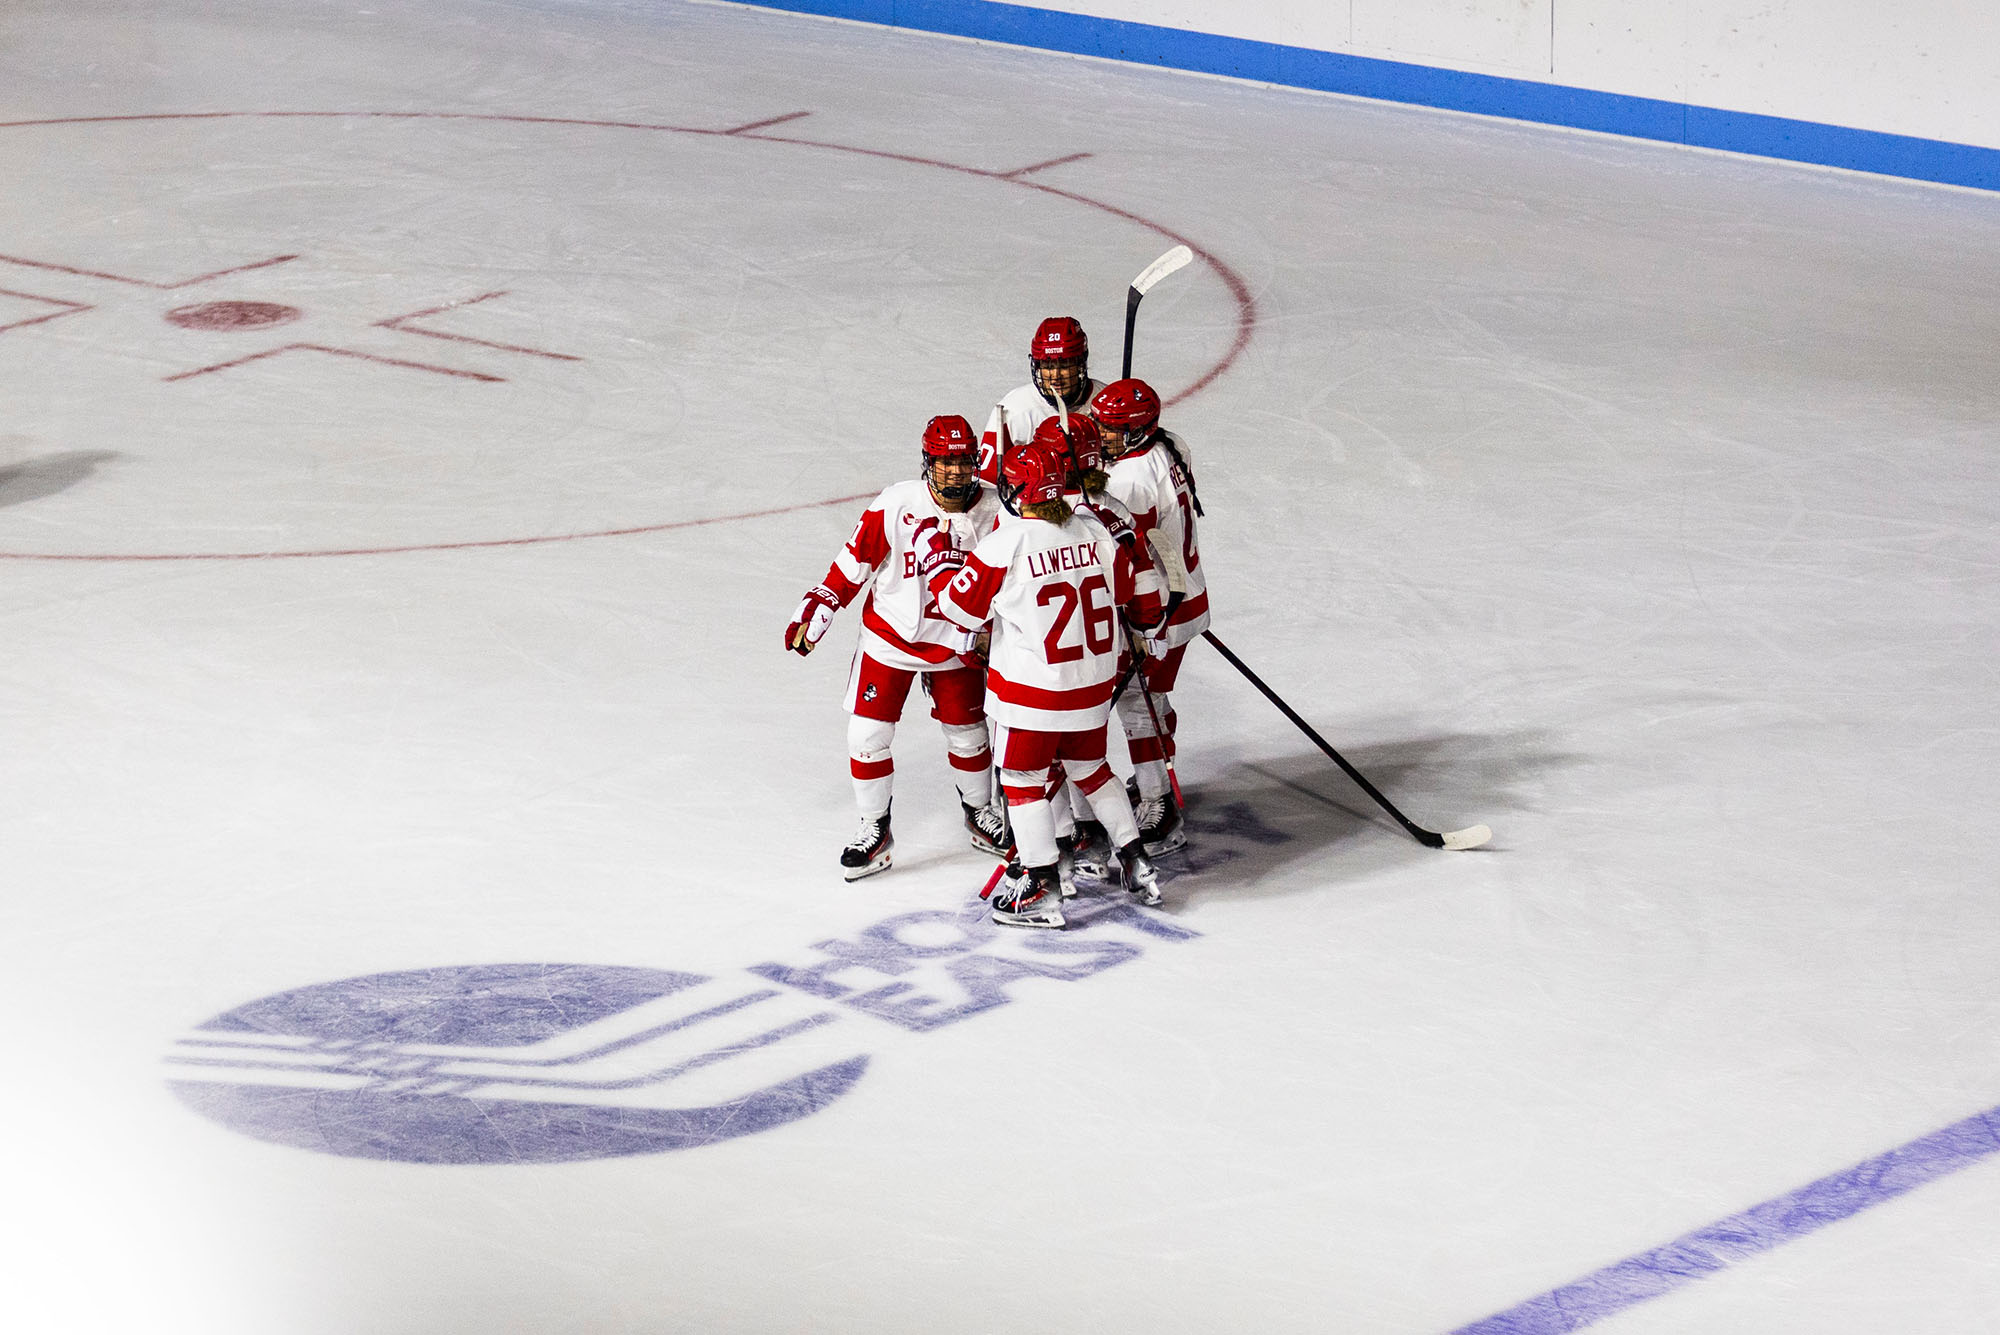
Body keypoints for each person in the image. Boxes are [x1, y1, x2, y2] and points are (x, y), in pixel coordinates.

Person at [927, 437, 1167, 928]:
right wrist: (1147, 630)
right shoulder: (1095, 530)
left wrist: (942, 560)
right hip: (1093, 686)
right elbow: (1131, 587)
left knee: (1021, 782)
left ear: (1018, 490)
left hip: (1032, 693)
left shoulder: (1006, 541)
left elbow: (956, 608)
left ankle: (1041, 888)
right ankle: (1136, 859)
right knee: (1093, 769)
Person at [785, 415, 1008, 880]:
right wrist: (822, 603)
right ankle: (874, 830)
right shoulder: (897, 502)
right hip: (890, 638)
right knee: (866, 739)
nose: (954, 471)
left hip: (957, 643)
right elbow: (855, 558)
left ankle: (980, 814)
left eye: (963, 460)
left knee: (968, 736)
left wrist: (998, 629)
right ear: (928, 461)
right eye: (944, 462)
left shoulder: (997, 509)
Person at [1091, 378, 1209, 854]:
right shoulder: (1171, 444)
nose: (1102, 436)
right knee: (1151, 699)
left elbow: (1129, 556)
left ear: (1139, 432)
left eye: (1114, 430)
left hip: (1159, 609)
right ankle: (1153, 777)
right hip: (1187, 591)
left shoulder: (1129, 482)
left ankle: (1159, 805)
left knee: (1138, 705)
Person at [978, 316, 1103, 484]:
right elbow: (988, 482)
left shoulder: (1105, 404)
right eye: (1048, 366)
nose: (1055, 376)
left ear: (1081, 362)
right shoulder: (1014, 409)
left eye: (1064, 365)